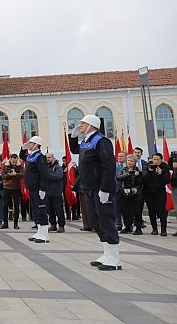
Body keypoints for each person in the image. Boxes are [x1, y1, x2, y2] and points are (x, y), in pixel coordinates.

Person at [69, 114, 120, 271]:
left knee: (106, 221)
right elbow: (75, 149)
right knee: (96, 222)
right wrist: (72, 137)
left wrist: (105, 189)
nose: (81, 126)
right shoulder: (86, 141)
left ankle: (115, 258)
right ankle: (106, 253)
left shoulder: (101, 141)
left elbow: (108, 166)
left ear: (92, 125)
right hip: (88, 188)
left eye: (83, 123)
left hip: (100, 188)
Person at [23, 136, 53, 243]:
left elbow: (44, 174)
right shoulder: (31, 155)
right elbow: (22, 156)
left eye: (30, 143)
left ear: (36, 144)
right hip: (32, 188)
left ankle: (44, 235)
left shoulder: (40, 157)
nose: (29, 144)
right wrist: (23, 148)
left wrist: (43, 189)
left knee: (41, 210)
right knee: (36, 211)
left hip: (38, 188)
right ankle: (39, 232)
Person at [142, 153, 170, 236]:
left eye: (158, 159)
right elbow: (143, 179)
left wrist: (161, 173)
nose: (156, 161)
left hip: (160, 191)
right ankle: (154, 229)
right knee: (152, 210)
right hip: (149, 192)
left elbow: (167, 180)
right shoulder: (147, 166)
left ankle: (163, 230)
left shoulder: (165, 167)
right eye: (154, 159)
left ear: (161, 160)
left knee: (162, 211)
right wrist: (149, 172)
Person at [116, 154, 144, 235]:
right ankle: (128, 227)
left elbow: (141, 183)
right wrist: (128, 174)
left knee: (137, 211)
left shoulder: (138, 171)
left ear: (135, 162)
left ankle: (138, 228)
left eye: (132, 161)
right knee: (125, 211)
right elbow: (118, 178)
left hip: (136, 194)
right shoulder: (124, 170)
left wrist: (137, 176)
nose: (129, 162)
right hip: (125, 193)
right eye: (128, 160)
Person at [45, 153, 66, 233]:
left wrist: (47, 175)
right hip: (48, 192)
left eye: (49, 157)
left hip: (56, 192)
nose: (48, 159)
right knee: (50, 210)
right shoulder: (45, 167)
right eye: (46, 157)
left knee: (59, 210)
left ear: (53, 158)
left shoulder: (57, 167)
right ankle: (53, 224)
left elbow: (58, 176)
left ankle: (61, 226)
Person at [1, 154, 24, 229]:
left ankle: (16, 223)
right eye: (13, 162)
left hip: (16, 188)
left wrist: (15, 174)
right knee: (5, 206)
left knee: (17, 206)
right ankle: (5, 223)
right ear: (10, 159)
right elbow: (3, 176)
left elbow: (23, 175)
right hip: (7, 188)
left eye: (15, 162)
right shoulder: (5, 165)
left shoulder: (20, 166)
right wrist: (9, 174)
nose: (14, 163)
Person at [114, 152, 127, 231]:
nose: (119, 158)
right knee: (116, 208)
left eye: (122, 156)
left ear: (125, 157)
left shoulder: (129, 166)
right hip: (116, 189)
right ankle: (118, 224)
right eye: (118, 156)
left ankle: (128, 224)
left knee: (126, 209)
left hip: (126, 190)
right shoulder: (114, 166)